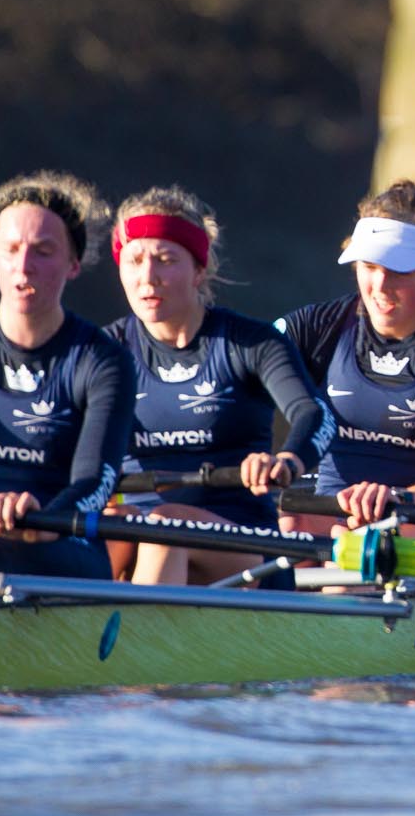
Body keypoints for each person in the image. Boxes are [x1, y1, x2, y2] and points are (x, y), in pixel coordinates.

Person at [105, 186, 332, 585]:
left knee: (164, 523)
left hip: (247, 546)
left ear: (198, 270)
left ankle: (130, 642)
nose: (147, 277)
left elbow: (315, 415)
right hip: (137, 533)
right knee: (106, 527)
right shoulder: (104, 352)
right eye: (135, 260)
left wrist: (285, 463)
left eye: (165, 259)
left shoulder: (253, 343)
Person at [279, 180, 415, 533]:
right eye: (368, 266)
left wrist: (400, 500)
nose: (380, 285)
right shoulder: (319, 326)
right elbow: (235, 365)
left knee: (362, 543)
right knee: (284, 524)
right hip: (329, 515)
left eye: (398, 270)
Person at [0, 172, 132, 577]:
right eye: (11, 249)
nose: (24, 265)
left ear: (73, 264)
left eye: (43, 251)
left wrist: (41, 522)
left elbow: (96, 480)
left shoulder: (103, 361)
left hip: (62, 541)